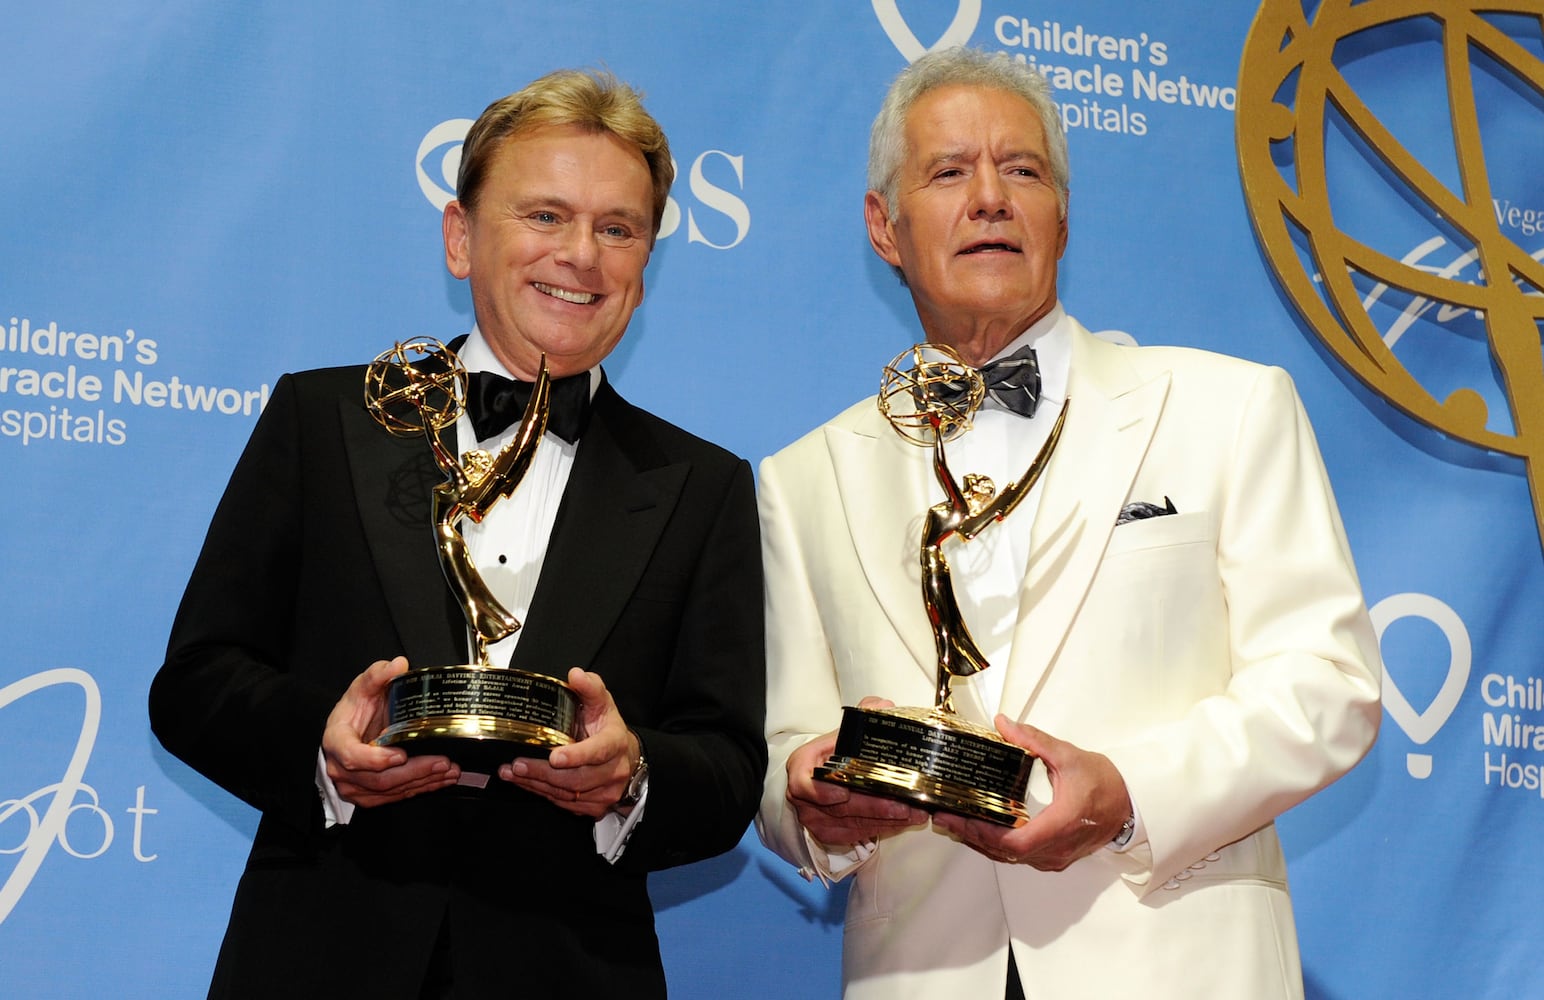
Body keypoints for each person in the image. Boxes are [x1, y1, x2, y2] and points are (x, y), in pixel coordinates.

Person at [756, 47, 1380, 999]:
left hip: (1178, 966)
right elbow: (782, 757)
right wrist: (812, 806)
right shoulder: (804, 477)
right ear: (885, 226)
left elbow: (1329, 684)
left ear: (1061, 214)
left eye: (1022, 169)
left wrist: (1131, 793)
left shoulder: (1228, 408)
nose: (990, 199)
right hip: (924, 972)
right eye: (948, 173)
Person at [149, 68, 765, 999]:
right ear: (460, 236)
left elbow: (727, 767)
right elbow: (196, 682)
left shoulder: (700, 486)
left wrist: (633, 775)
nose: (582, 256)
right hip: (319, 960)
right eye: (546, 216)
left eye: (618, 229)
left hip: (569, 971)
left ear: (645, 267)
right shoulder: (324, 421)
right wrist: (322, 747)